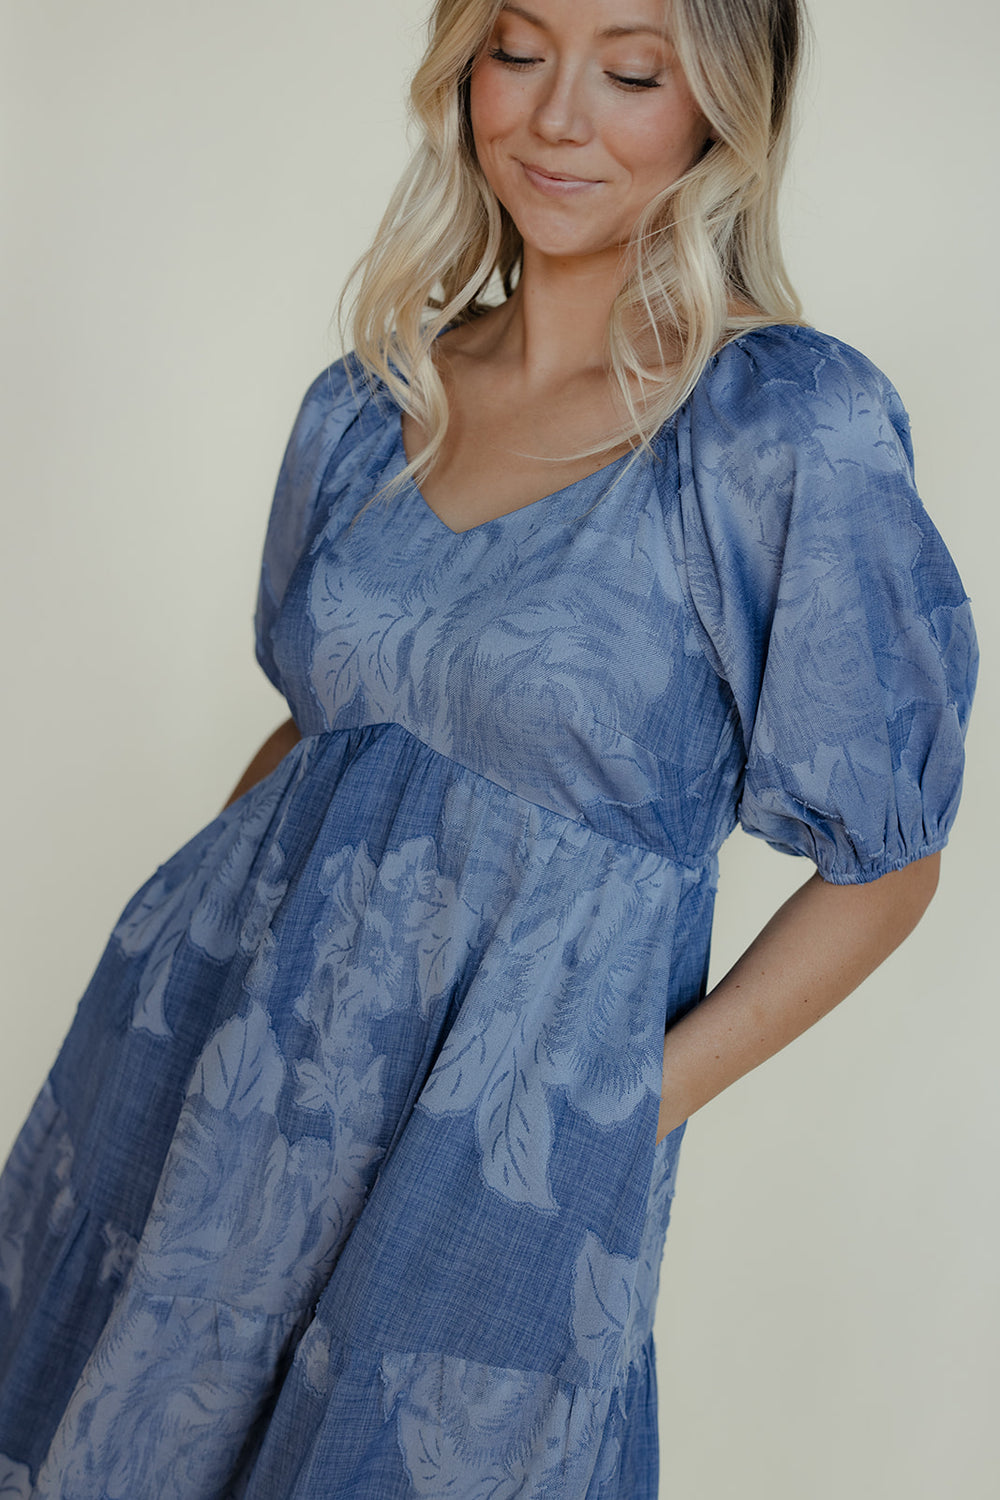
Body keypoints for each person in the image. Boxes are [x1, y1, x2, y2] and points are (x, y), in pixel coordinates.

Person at [0, 0, 978, 1494]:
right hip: (213, 1082)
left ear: (726, 105)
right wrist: (201, 981)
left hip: (503, 1153)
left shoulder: (782, 429)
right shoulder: (365, 405)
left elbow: (889, 866)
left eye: (633, 70)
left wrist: (623, 1110)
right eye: (517, 51)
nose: (557, 115)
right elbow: (316, 736)